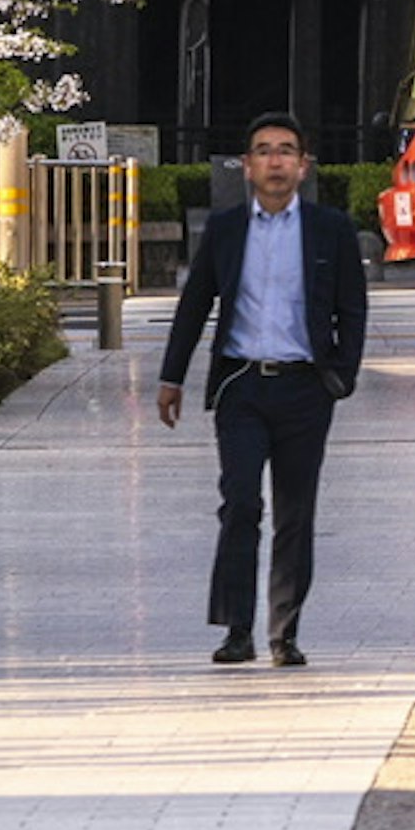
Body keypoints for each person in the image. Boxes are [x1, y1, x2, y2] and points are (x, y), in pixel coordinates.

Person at [156, 115, 367, 667]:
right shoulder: (226, 230)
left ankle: (285, 632)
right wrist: (171, 376)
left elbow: (353, 309)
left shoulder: (330, 230)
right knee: (241, 503)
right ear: (246, 166)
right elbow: (195, 303)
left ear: (303, 165)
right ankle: (236, 629)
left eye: (286, 151)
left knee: (296, 513)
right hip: (241, 386)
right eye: (263, 152)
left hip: (304, 388)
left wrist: (340, 377)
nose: (275, 161)